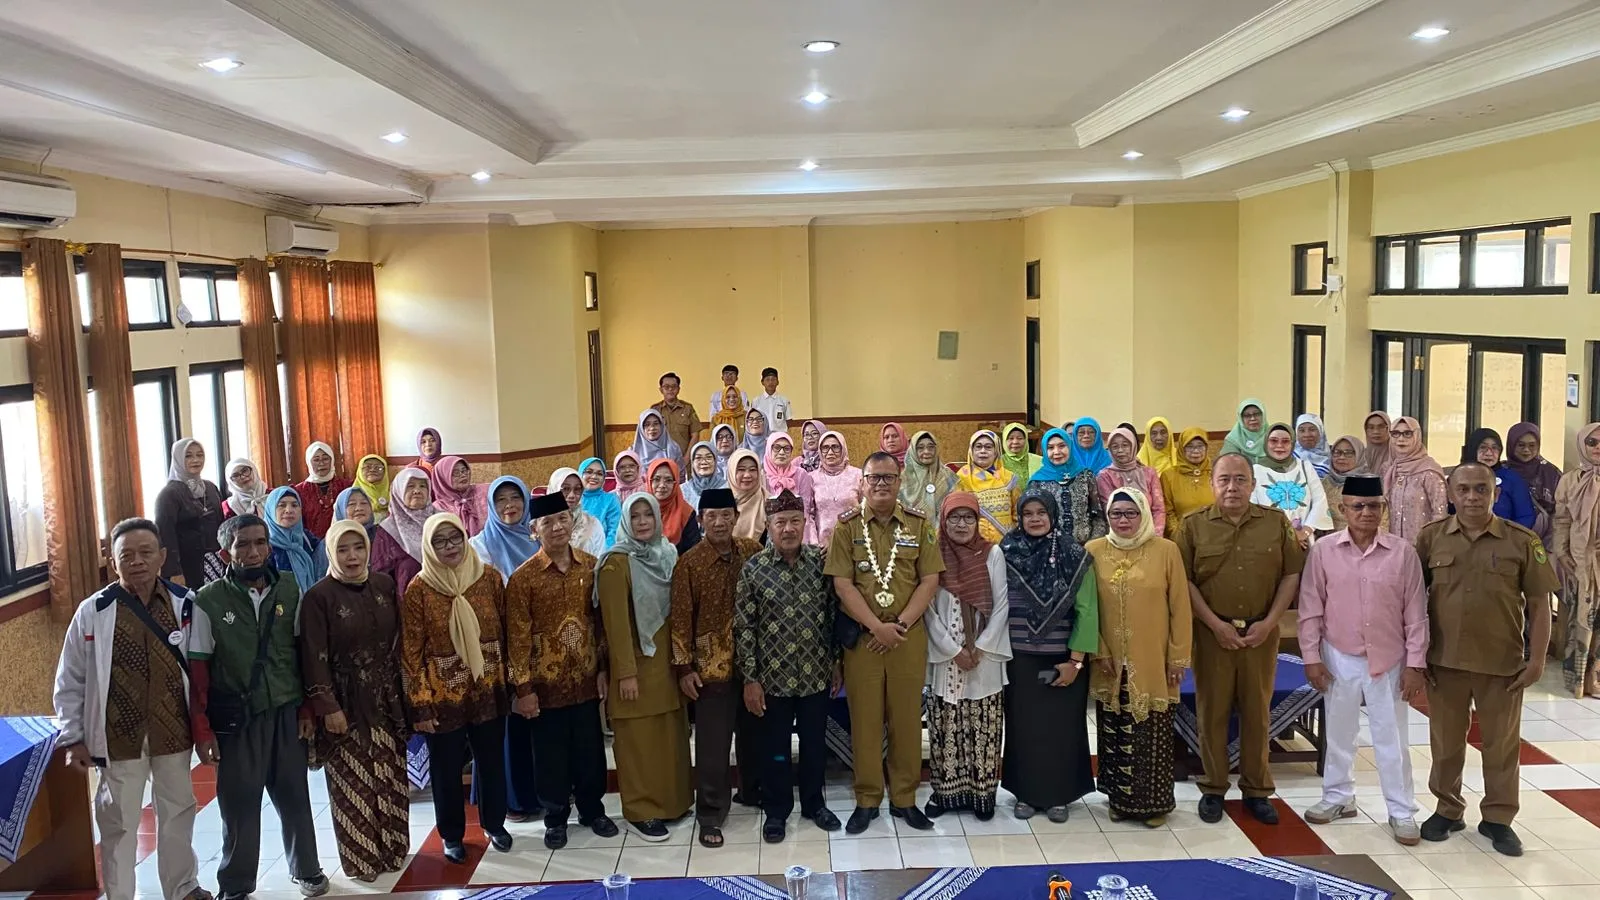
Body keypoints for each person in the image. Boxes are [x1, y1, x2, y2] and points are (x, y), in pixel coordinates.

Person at [54, 518, 211, 900]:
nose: (137, 561)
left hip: (173, 731)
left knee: (177, 813)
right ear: (113, 562)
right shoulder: (93, 611)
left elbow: (204, 673)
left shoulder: (186, 605)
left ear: (162, 556)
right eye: (127, 555)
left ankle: (182, 888)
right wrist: (73, 737)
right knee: (119, 823)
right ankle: (120, 894)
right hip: (118, 737)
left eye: (145, 553)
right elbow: (70, 679)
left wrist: (206, 729)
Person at [1418, 463, 1558, 856]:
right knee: (1446, 744)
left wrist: (1537, 660)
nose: (1472, 497)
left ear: (1495, 493)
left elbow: (1540, 605)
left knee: (1501, 746)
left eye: (1481, 489)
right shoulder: (1431, 538)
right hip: (1444, 662)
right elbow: (1412, 601)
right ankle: (1447, 809)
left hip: (1502, 664)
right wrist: (1415, 656)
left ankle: (1498, 817)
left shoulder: (1521, 541)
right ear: (1450, 493)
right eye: (1463, 489)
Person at [188, 514, 328, 900]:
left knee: (294, 794)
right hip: (237, 718)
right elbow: (199, 671)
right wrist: (203, 730)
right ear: (226, 553)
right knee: (239, 804)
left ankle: (307, 869)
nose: (253, 552)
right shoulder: (208, 601)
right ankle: (235, 885)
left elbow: (302, 653)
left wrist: (306, 709)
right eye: (243, 544)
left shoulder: (289, 588)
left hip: (285, 709)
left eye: (260, 542)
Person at [1298, 475, 1428, 847]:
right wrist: (1311, 657)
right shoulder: (1324, 551)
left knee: (1392, 738)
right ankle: (1338, 797)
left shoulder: (1402, 553)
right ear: (1343, 509)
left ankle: (1401, 810)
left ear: (1383, 509)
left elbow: (1416, 613)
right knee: (1339, 733)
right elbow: (1310, 607)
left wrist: (1415, 664)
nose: (1366, 512)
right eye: (1357, 506)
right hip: (1338, 655)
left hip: (1389, 658)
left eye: (1373, 506)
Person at [1176, 453, 1305, 826]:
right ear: (1212, 483)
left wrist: (1270, 622)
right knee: (1212, 712)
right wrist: (1216, 625)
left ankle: (1256, 790)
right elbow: (1184, 581)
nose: (1232, 487)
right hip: (1212, 635)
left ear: (1253, 483)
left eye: (1240, 479)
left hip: (1261, 635)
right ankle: (1214, 787)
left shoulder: (1275, 523)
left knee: (1257, 713)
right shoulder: (1192, 526)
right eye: (1224, 479)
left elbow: (1291, 574)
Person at [827, 451, 942, 833]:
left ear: (899, 481)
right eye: (873, 477)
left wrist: (900, 625)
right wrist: (877, 627)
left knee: (906, 721)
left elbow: (929, 580)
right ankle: (867, 799)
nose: (880, 484)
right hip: (864, 641)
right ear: (862, 482)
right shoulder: (846, 528)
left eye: (888, 477)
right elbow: (842, 585)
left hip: (907, 639)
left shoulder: (919, 525)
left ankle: (905, 798)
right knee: (865, 721)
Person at [503, 493, 619, 849]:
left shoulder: (590, 566)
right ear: (534, 530)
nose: (556, 528)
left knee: (590, 751)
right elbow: (517, 638)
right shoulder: (523, 579)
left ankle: (592, 810)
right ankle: (555, 818)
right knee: (550, 757)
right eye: (547, 523)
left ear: (572, 522)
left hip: (585, 679)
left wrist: (603, 668)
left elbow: (600, 624)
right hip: (545, 687)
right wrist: (523, 689)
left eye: (563, 519)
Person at [401, 512, 517, 863]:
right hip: (442, 697)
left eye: (455, 538)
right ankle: (451, 835)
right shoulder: (419, 589)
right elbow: (411, 652)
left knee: (492, 761)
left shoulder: (488, 578)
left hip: (488, 688)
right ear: (428, 546)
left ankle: (494, 824)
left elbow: (508, 632)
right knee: (446, 769)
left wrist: (513, 683)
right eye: (439, 541)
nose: (449, 547)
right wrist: (421, 704)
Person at [299, 519, 409, 881]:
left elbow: (398, 641)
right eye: (343, 549)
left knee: (390, 774)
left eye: (358, 547)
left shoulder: (383, 585)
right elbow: (313, 657)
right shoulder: (319, 597)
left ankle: (393, 849)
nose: (352, 556)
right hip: (344, 701)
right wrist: (328, 707)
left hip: (385, 698)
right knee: (354, 782)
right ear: (331, 552)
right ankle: (361, 859)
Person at [738, 490, 843, 843]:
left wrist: (836, 662)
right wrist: (750, 679)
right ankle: (777, 809)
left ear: (805, 522)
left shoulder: (819, 563)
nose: (788, 529)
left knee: (814, 745)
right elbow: (744, 627)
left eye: (795, 521)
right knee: (776, 749)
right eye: (780, 522)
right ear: (769, 526)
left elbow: (832, 615)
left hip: (815, 673)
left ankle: (814, 803)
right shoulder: (754, 570)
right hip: (772, 680)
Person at [1088, 488, 1190, 827]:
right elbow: (1086, 608)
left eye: (1131, 513)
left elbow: (1180, 607)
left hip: (1153, 659)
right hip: (1108, 659)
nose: (1123, 520)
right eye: (1116, 513)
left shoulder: (1166, 551)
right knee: (1114, 730)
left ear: (1144, 513)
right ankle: (1120, 802)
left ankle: (1154, 805)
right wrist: (1098, 650)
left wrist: (1178, 657)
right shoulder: (1094, 551)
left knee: (1152, 731)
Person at [670, 487, 764, 847]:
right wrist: (684, 668)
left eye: (726, 515)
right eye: (712, 516)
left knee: (754, 736)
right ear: (700, 520)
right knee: (713, 746)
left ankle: (752, 793)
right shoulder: (689, 563)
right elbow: (680, 620)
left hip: (753, 666)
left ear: (736, 517)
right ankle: (710, 813)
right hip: (710, 670)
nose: (720, 522)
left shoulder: (752, 552)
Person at [596, 493, 693, 840]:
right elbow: (615, 625)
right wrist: (625, 673)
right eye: (634, 516)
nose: (641, 522)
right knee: (637, 744)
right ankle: (641, 811)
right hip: (635, 669)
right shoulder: (615, 563)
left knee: (668, 738)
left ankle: (672, 803)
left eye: (647, 515)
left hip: (666, 665)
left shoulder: (667, 554)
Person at [1000, 490, 1098, 823]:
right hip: (1019, 659)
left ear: (1053, 515)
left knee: (1061, 729)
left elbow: (1087, 611)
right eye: (1028, 513)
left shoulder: (1074, 554)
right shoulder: (1006, 551)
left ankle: (1058, 795)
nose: (1035, 519)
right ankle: (1026, 793)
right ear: (1019, 517)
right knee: (1023, 728)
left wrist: (1075, 662)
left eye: (1041, 512)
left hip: (1063, 659)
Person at [924, 492, 1010, 821]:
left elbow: (1001, 605)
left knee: (983, 727)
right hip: (946, 656)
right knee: (946, 726)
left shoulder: (992, 553)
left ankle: (982, 794)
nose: (961, 524)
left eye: (968, 517)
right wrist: (954, 650)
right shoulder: (934, 553)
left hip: (984, 658)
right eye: (954, 518)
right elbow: (928, 610)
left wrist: (980, 648)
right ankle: (946, 794)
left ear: (978, 521)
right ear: (943, 521)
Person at [1555, 423, 1600, 698]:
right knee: (1580, 618)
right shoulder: (1570, 480)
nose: (1597, 447)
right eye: (1591, 442)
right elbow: (1562, 520)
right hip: (1580, 562)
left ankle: (1596, 678)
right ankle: (1577, 679)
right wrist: (1561, 553)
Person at [155, 438, 226, 588]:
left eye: (200, 455)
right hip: (186, 565)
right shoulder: (169, 494)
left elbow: (221, 524)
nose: (196, 460)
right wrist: (174, 571)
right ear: (178, 459)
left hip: (216, 560)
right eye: (188, 456)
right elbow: (165, 535)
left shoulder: (210, 487)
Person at [1252, 423, 1333, 546]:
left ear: (1293, 444)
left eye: (1285, 441)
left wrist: (1304, 532)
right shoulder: (1255, 471)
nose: (1279, 446)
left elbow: (1320, 501)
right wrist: (1286, 536)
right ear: (1265, 443)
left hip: (1303, 541)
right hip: (1268, 541)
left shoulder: (1305, 467)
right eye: (1273, 441)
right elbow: (1252, 507)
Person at [1028, 427, 1107, 544]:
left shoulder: (1086, 476)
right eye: (1050, 448)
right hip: (1050, 548)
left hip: (1085, 546)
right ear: (1044, 450)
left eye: (1062, 446)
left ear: (1070, 447)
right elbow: (1031, 520)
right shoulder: (1037, 482)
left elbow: (1098, 515)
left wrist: (1092, 544)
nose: (1056, 452)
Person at [337, 486, 420, 594]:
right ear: (341, 509)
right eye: (351, 504)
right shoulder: (334, 542)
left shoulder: (384, 534)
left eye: (364, 503)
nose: (359, 508)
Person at [1383, 416, 1447, 542]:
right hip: (1392, 545)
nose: (1401, 439)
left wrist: (1433, 544)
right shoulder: (1389, 470)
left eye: (1407, 433)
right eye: (1395, 433)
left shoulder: (1429, 471)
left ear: (1417, 436)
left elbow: (1440, 515)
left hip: (1422, 545)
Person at [1460, 428, 1538, 529]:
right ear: (1473, 449)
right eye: (1483, 447)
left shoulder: (1511, 479)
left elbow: (1525, 516)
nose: (1489, 453)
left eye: (1494, 448)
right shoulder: (1458, 477)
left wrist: (1509, 536)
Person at [1098, 425, 1167, 536]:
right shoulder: (1105, 476)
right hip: (1120, 534)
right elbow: (1109, 511)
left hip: (1150, 534)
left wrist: (1155, 535)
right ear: (1109, 450)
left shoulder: (1149, 473)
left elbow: (1159, 509)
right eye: (1115, 447)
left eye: (1125, 445)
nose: (1120, 450)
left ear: (1133, 446)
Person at [470, 476, 540, 584]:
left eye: (515, 497)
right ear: (492, 505)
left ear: (526, 500)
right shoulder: (479, 545)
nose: (509, 505)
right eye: (501, 499)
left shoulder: (542, 534)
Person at [957, 430, 1024, 543]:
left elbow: (1018, 512)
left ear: (996, 452)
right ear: (971, 451)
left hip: (1006, 542)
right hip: (973, 543)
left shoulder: (1008, 478)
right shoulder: (961, 478)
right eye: (978, 447)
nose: (983, 451)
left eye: (988, 447)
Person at [1506, 422, 1562, 544]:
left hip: (1545, 541)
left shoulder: (1550, 472)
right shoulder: (1501, 472)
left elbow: (1561, 511)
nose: (1526, 450)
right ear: (1511, 445)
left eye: (1532, 445)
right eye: (1521, 445)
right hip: (1506, 539)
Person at [263, 487, 325, 595]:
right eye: (282, 505)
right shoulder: (264, 545)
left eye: (294, 505)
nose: (289, 510)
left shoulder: (306, 539)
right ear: (271, 510)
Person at [379, 467, 435, 583]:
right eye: (410, 486)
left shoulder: (441, 519)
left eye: (422, 486)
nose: (417, 491)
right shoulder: (387, 529)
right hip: (403, 590)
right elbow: (381, 574)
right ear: (399, 490)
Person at [810, 430, 863, 547]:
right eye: (825, 448)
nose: (830, 452)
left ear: (843, 449)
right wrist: (815, 545)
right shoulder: (812, 478)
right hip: (821, 546)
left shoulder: (858, 475)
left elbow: (865, 509)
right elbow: (809, 515)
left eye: (835, 447)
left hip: (852, 543)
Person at [763, 432, 817, 542]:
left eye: (786, 449)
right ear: (769, 449)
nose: (781, 452)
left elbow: (805, 509)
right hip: (769, 534)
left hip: (797, 531)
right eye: (776, 448)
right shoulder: (762, 476)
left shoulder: (801, 474)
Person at [292, 442, 353, 540]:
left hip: (343, 540)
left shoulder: (346, 486)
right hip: (312, 544)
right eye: (316, 460)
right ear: (309, 463)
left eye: (325, 459)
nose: (321, 463)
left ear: (332, 460)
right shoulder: (299, 491)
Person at [1160, 427, 1214, 536]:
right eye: (1190, 446)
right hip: (1182, 536)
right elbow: (1168, 512)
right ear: (1181, 449)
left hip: (1214, 534)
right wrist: (1179, 535)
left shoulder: (1216, 473)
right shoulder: (1169, 476)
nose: (1196, 451)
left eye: (1200, 446)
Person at [901, 430, 959, 523]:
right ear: (913, 451)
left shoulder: (948, 475)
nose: (926, 451)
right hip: (911, 528)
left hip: (945, 527)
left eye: (931, 447)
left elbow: (955, 504)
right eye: (920, 448)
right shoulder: (903, 479)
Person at [549, 467, 608, 558]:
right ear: (554, 489)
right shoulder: (543, 525)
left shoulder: (593, 524)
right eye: (565, 489)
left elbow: (599, 559)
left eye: (577, 489)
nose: (572, 495)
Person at [647, 459, 702, 553]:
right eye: (656, 479)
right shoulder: (640, 510)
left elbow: (694, 551)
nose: (662, 485)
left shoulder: (686, 513)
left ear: (675, 483)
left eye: (668, 480)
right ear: (649, 481)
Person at [429, 456, 489, 537]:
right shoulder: (438, 507)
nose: (463, 475)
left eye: (464, 470)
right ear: (443, 478)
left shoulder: (484, 491)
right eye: (456, 473)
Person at [1322, 435, 1366, 532]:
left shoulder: (1369, 485)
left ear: (1359, 455)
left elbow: (1380, 521)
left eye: (1349, 453)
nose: (1341, 457)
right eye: (1337, 452)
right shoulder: (1323, 483)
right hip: (1324, 538)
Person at [653, 372, 702, 454]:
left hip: (684, 457)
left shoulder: (688, 408)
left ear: (678, 389)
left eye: (673, 386)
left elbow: (695, 435)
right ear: (661, 390)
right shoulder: (655, 410)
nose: (670, 389)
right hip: (662, 457)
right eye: (666, 387)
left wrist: (687, 457)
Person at [579, 457, 623, 547]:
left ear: (604, 478)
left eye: (599, 474)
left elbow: (614, 531)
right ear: (580, 474)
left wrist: (603, 552)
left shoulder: (610, 499)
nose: (594, 477)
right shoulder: (573, 498)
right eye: (589, 472)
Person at [727, 448, 768, 541]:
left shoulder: (769, 503)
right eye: (741, 470)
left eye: (752, 470)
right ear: (732, 472)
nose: (747, 475)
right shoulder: (722, 503)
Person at [630, 408, 685, 473]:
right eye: (647, 425)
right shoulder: (632, 451)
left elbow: (681, 474)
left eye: (656, 424)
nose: (652, 428)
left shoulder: (674, 448)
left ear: (661, 426)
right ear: (641, 428)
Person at [1220, 400, 1270, 464]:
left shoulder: (1273, 436)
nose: (1252, 418)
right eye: (1247, 415)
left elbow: (1280, 462)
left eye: (1256, 414)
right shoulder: (1232, 440)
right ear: (1240, 418)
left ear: (1263, 415)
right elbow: (1228, 464)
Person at [681, 441, 727, 510]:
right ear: (692, 463)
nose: (704, 462)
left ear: (715, 461)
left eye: (708, 457)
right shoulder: (682, 490)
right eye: (698, 458)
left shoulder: (727, 488)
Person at [751, 366, 792, 436]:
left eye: (773, 379)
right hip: (761, 437)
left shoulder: (784, 400)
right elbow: (753, 421)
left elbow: (789, 421)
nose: (770, 382)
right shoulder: (756, 401)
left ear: (778, 382)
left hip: (779, 437)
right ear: (762, 382)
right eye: (767, 379)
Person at [351, 454, 392, 523]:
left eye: (378, 468)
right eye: (367, 467)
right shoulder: (350, 496)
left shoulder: (394, 494)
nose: (372, 470)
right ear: (360, 471)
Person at [1359, 412, 1395, 478]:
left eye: (1381, 427)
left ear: (1389, 429)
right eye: (1371, 427)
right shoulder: (1359, 456)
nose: (1376, 432)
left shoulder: (1397, 456)